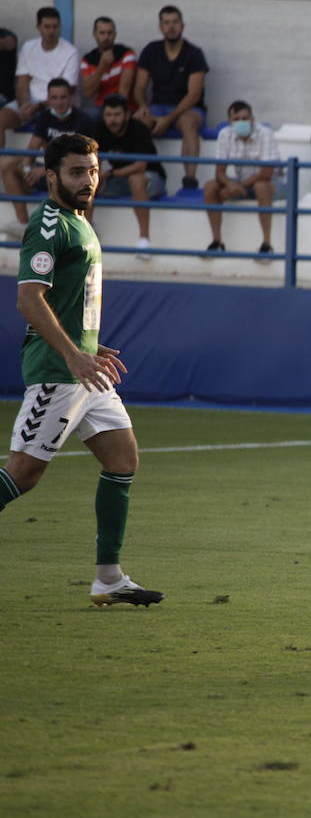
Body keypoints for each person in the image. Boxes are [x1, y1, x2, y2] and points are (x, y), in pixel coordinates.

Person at [0, 132, 163, 608]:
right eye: (76, 172)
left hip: (85, 368)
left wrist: (88, 345)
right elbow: (29, 299)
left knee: (122, 460)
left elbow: (67, 302)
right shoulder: (48, 225)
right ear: (51, 176)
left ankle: (109, 578)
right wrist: (73, 353)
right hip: (59, 370)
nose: (88, 180)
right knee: (23, 475)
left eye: (92, 171)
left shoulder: (79, 220)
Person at [1, 78, 97, 234]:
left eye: (63, 97)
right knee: (7, 164)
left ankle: (69, 227)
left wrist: (45, 170)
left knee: (54, 175)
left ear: (70, 98)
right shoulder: (45, 117)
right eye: (54, 97)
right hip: (48, 169)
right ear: (48, 99)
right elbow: (32, 148)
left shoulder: (84, 120)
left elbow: (82, 160)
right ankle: (23, 223)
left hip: (74, 173)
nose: (59, 102)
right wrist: (27, 167)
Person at [134, 5, 209, 191]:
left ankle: (190, 180)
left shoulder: (194, 54)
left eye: (175, 22)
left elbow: (194, 95)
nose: (171, 27)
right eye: (166, 23)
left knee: (189, 123)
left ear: (183, 25)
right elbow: (140, 87)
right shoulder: (151, 50)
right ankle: (141, 174)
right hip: (157, 107)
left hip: (188, 109)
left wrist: (167, 120)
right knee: (138, 122)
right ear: (160, 27)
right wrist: (143, 106)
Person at [203, 101, 282, 257]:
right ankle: (217, 242)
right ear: (229, 121)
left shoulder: (265, 133)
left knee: (261, 186)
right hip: (243, 183)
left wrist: (237, 187)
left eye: (245, 118)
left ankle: (267, 244)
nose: (241, 122)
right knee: (210, 186)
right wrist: (230, 185)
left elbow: (266, 173)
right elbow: (219, 172)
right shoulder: (225, 134)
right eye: (236, 119)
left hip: (273, 183)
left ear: (252, 119)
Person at [93, 94, 165, 259]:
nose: (113, 120)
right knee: (88, 180)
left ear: (126, 115)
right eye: (108, 115)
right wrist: (97, 175)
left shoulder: (138, 128)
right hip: (119, 180)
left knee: (136, 179)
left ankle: (144, 241)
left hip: (151, 179)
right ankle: (87, 232)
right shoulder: (100, 128)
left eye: (117, 114)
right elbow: (94, 160)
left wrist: (111, 173)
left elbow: (141, 166)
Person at [0, 8, 80, 150]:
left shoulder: (70, 52)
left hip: (56, 104)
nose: (51, 31)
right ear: (38, 27)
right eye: (47, 26)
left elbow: (68, 91)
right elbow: (22, 81)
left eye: (55, 27)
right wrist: (24, 104)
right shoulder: (28, 47)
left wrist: (38, 106)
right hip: (29, 103)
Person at [80, 16, 138, 115]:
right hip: (101, 107)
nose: (106, 37)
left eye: (110, 33)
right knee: (86, 116)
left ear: (115, 34)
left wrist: (111, 115)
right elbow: (88, 93)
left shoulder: (127, 54)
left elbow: (124, 92)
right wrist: (102, 66)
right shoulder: (87, 60)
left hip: (124, 108)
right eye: (102, 33)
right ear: (94, 34)